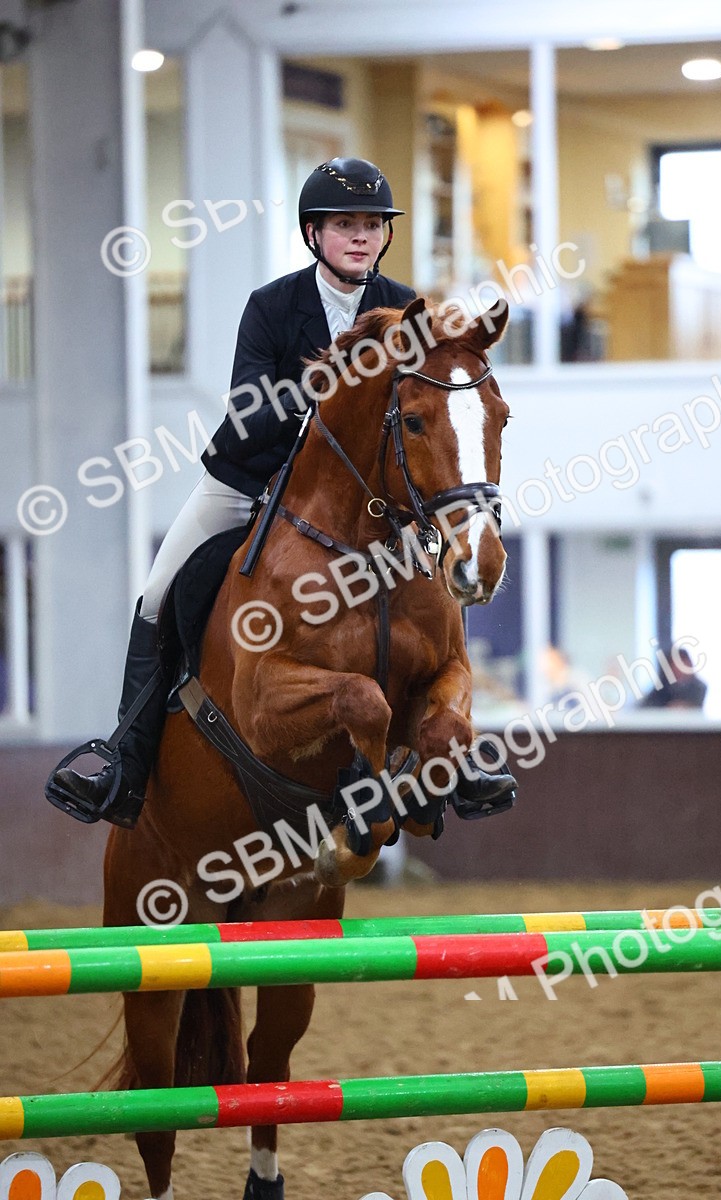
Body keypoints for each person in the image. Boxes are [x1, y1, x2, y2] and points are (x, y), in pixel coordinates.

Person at [48, 157, 516, 829]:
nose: (360, 236)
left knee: (439, 571)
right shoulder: (272, 306)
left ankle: (453, 752)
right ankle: (124, 763)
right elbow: (247, 409)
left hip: (361, 498)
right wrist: (329, 397)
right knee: (159, 591)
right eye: (344, 224)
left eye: (372, 225)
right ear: (313, 234)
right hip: (249, 476)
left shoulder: (407, 307)